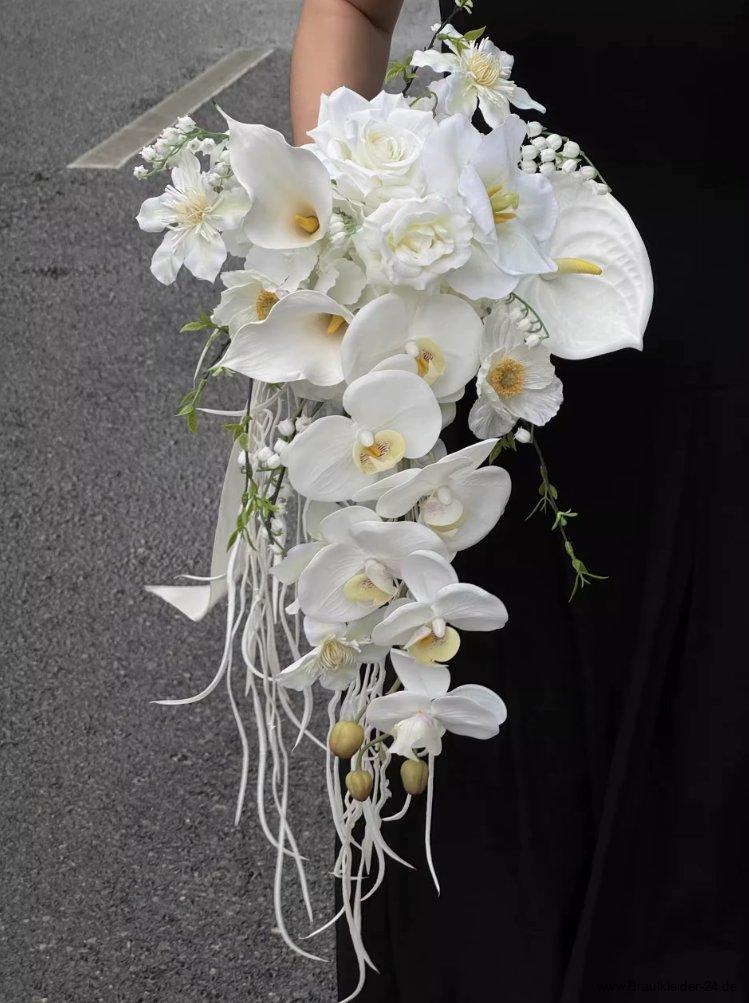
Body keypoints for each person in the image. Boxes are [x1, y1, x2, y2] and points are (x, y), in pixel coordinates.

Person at [290, 1, 749, 999]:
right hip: (478, 409)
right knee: (479, 883)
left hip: (723, 424)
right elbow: (352, 10)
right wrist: (330, 239)